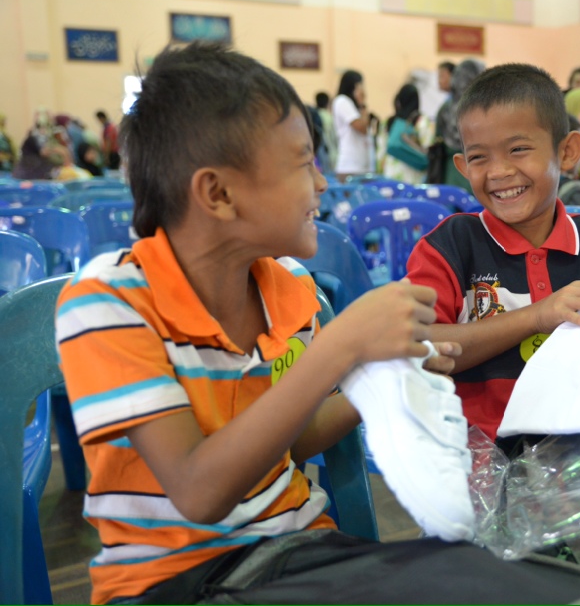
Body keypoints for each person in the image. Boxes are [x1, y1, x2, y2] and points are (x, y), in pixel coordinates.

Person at [55, 43, 460, 604]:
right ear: (218, 193)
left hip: (294, 553)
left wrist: (384, 368)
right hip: (167, 583)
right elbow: (199, 492)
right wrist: (341, 348)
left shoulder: (292, 288)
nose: (322, 184)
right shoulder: (106, 303)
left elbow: (290, 442)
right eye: (302, 163)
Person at [406, 63, 580, 444]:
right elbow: (416, 345)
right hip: (480, 457)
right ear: (462, 166)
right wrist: (536, 317)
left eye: (518, 149)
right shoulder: (450, 245)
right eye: (479, 157)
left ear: (567, 151)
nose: (498, 171)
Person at [434, 58, 485, 192]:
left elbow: (438, 138)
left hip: (452, 169)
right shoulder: (487, 109)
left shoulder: (445, 109)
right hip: (482, 168)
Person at [333, 69, 374, 181]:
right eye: (359, 85)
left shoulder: (353, 105)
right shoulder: (342, 101)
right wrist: (362, 103)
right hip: (350, 166)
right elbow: (361, 127)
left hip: (362, 166)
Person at [383, 83, 427, 185]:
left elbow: (382, 150)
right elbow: (428, 147)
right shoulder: (422, 121)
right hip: (413, 176)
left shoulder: (390, 122)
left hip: (391, 175)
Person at [314, 91, 336, 173]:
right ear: (328, 103)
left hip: (318, 154)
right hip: (330, 152)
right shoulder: (330, 117)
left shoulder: (315, 114)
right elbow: (335, 137)